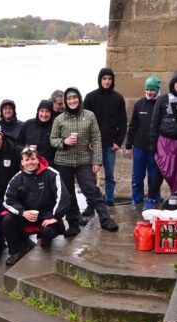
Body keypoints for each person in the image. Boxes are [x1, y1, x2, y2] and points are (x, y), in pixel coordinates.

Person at [50, 86, 120, 235]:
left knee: (91, 189)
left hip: (84, 160)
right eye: (69, 98)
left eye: (74, 97)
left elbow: (96, 138)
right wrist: (64, 141)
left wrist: (97, 161)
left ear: (79, 99)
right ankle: (73, 225)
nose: (72, 100)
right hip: (63, 161)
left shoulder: (89, 116)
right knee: (68, 194)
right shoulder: (59, 119)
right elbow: (52, 140)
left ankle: (106, 220)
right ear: (65, 101)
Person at [3, 146, 71, 265]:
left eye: (33, 159)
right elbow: (8, 200)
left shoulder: (52, 174)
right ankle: (16, 251)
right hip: (27, 216)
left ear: (38, 159)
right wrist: (23, 212)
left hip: (47, 217)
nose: (30, 162)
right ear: (22, 162)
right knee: (7, 220)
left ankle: (45, 239)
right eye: (27, 160)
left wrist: (54, 217)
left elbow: (64, 197)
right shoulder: (17, 178)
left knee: (48, 232)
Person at [83, 67, 128, 206]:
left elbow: (123, 122)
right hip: (93, 145)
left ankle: (109, 201)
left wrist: (118, 142)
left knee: (109, 175)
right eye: (104, 79)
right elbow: (84, 121)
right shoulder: (90, 97)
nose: (107, 81)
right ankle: (91, 202)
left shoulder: (118, 98)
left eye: (109, 79)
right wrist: (88, 140)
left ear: (112, 80)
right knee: (90, 175)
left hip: (110, 144)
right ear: (100, 80)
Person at [125, 76, 163, 209]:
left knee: (154, 176)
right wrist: (128, 146)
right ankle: (137, 200)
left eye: (152, 90)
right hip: (139, 147)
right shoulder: (139, 104)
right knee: (137, 176)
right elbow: (132, 126)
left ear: (158, 89)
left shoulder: (162, 104)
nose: (149, 92)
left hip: (156, 148)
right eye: (147, 89)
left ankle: (155, 199)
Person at [20, 100, 56, 165]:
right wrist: (26, 150)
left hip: (48, 164)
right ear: (38, 111)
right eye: (42, 111)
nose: (44, 114)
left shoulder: (55, 126)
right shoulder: (28, 124)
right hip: (29, 163)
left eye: (47, 111)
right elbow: (17, 143)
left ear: (51, 113)